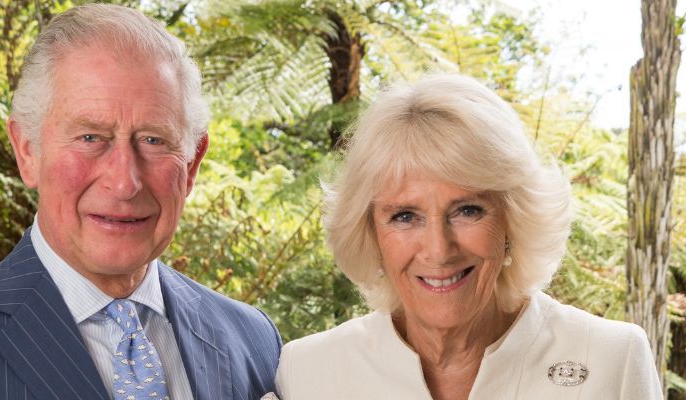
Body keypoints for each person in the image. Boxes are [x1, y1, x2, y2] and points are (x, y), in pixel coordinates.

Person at [0, 4, 281, 399]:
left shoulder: (254, 341)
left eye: (153, 140)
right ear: (27, 151)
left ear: (191, 163)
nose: (124, 182)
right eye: (90, 137)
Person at [274, 74, 662, 399]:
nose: (439, 250)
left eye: (467, 210)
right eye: (405, 216)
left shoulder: (613, 358)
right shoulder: (308, 373)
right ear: (370, 232)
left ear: (513, 218)